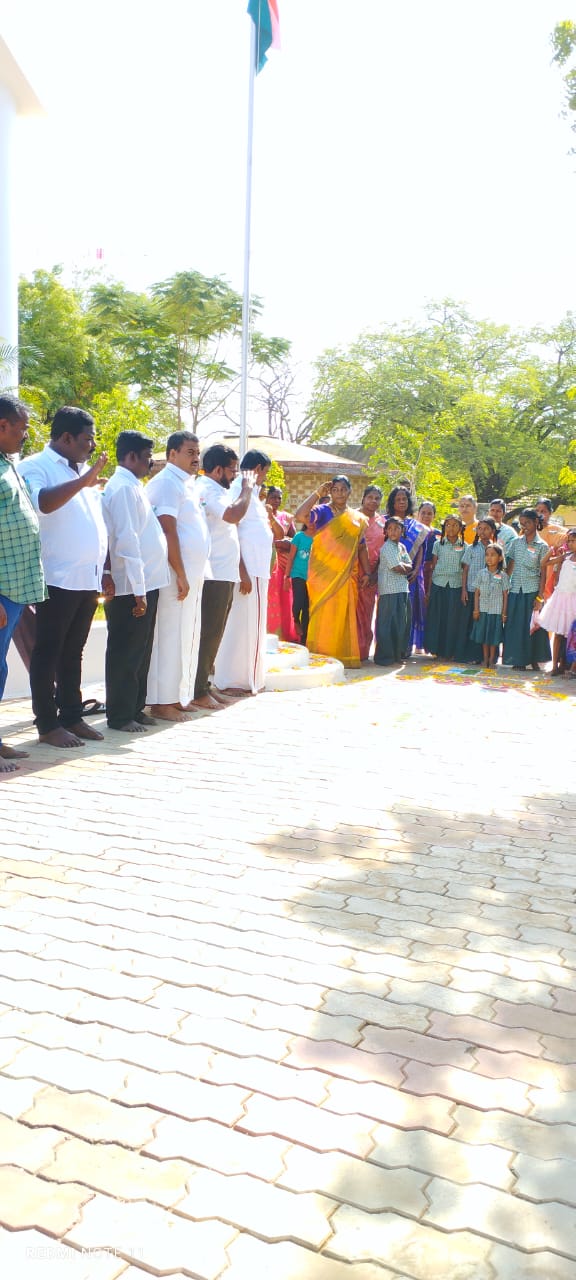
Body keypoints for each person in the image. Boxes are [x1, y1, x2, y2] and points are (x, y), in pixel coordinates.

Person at [19, 406, 110, 749]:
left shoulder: (84, 471)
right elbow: (41, 503)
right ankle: (47, 724)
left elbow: (95, 526)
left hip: (87, 577)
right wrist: (83, 482)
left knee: (74, 651)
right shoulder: (35, 466)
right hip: (56, 576)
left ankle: (72, 715)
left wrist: (105, 570)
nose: (92, 445)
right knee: (48, 652)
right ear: (67, 437)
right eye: (87, 438)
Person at [101, 431, 169, 731]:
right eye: (146, 458)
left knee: (140, 651)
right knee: (125, 652)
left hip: (147, 582)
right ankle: (120, 716)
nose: (150, 464)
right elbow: (126, 542)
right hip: (130, 587)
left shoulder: (133, 486)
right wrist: (139, 591)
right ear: (130, 456)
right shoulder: (122, 489)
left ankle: (135, 708)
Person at [145, 431, 210, 721]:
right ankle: (162, 701)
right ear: (172, 454)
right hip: (174, 573)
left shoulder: (187, 483)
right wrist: (181, 572)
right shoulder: (166, 483)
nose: (196, 458)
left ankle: (179, 695)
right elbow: (167, 528)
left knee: (186, 635)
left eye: (198, 452)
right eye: (189, 452)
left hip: (190, 574)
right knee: (169, 635)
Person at [0, 395, 46, 773]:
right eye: (21, 429)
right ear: (1, 426)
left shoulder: (7, 464)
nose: (25, 435)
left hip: (15, 587)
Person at [192, 446, 255, 709]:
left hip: (224, 572)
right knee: (208, 633)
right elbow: (232, 515)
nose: (236, 475)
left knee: (214, 633)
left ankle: (203, 686)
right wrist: (247, 490)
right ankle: (197, 690)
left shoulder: (218, 490)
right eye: (232, 470)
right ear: (218, 469)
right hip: (213, 574)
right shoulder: (207, 489)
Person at [293, 476, 370, 668]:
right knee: (322, 614)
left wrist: (367, 573)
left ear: (350, 491)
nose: (340, 493)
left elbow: (361, 547)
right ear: (331, 492)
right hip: (322, 576)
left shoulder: (357, 519)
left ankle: (341, 655)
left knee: (342, 615)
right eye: (335, 489)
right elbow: (300, 516)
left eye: (343, 489)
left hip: (346, 576)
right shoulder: (323, 511)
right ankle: (320, 655)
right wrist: (317, 493)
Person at [214, 449, 273, 695]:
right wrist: (244, 572)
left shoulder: (251, 492)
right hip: (248, 570)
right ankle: (235, 681)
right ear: (258, 469)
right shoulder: (240, 489)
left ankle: (245, 678)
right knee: (242, 626)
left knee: (248, 626)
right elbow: (233, 532)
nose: (264, 477)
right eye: (265, 472)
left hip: (256, 569)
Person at [502, 508, 551, 671]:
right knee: (515, 625)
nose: (525, 526)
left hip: (532, 591)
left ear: (536, 522)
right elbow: (509, 567)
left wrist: (540, 597)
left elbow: (543, 574)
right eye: (522, 523)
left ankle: (535, 660)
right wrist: (504, 587)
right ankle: (518, 660)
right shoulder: (516, 543)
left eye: (528, 523)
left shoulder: (542, 546)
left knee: (533, 626)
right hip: (516, 589)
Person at [385, 486, 428, 654]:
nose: (401, 502)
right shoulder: (385, 522)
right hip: (389, 574)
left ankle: (405, 647)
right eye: (398, 499)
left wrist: (416, 569)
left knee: (407, 610)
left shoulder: (417, 527)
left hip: (411, 576)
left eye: (404, 499)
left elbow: (421, 548)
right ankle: (389, 647)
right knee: (390, 611)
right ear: (392, 502)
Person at [424, 516, 466, 659]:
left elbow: (465, 569)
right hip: (439, 584)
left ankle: (449, 651)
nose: (451, 528)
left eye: (455, 525)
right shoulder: (438, 544)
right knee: (437, 618)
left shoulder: (465, 546)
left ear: (460, 528)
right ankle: (436, 649)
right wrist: (429, 590)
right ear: (444, 527)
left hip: (455, 586)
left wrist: (464, 590)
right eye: (448, 525)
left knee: (452, 619)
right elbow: (433, 567)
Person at [460, 517, 500, 662]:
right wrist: (464, 590)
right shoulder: (471, 548)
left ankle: (490, 657)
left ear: (493, 531)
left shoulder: (497, 549)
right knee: (472, 624)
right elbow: (465, 570)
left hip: (491, 595)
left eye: (486, 529)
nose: (482, 532)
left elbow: (502, 570)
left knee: (488, 625)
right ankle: (472, 656)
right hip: (472, 591)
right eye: (480, 528)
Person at [374, 517, 412, 665]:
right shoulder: (387, 547)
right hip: (389, 591)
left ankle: (397, 655)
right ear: (385, 531)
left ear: (402, 531)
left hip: (402, 589)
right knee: (387, 624)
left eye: (396, 528)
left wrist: (403, 566)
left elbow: (410, 566)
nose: (393, 531)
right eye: (389, 529)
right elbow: (397, 568)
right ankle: (385, 657)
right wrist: (404, 566)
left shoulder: (401, 547)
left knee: (400, 624)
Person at [538, 529, 576, 676]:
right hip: (560, 600)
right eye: (569, 541)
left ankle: (571, 669)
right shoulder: (565, 557)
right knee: (558, 634)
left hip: (573, 600)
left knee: (573, 635)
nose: (570, 543)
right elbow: (544, 563)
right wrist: (553, 550)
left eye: (573, 541)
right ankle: (555, 666)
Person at [356, 485, 386, 660]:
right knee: (350, 613)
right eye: (370, 497)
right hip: (352, 572)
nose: (373, 501)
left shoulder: (383, 522)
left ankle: (362, 651)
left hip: (373, 575)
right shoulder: (353, 517)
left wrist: (373, 574)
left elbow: (385, 549)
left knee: (367, 613)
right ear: (363, 498)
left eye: (377, 498)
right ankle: (348, 649)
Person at [265, 485, 298, 642]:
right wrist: (278, 543)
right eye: (273, 497)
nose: (276, 501)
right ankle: (269, 633)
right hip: (268, 563)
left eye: (279, 497)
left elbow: (295, 540)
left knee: (284, 598)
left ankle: (284, 635)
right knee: (270, 598)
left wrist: (285, 543)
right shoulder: (261, 516)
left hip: (284, 564)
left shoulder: (286, 518)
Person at [471, 543, 509, 668]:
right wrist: (476, 610)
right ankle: (485, 658)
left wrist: (504, 613)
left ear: (500, 558)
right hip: (483, 610)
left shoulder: (503, 576)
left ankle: (492, 659)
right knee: (484, 635)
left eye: (493, 555)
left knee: (493, 636)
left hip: (496, 611)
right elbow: (476, 593)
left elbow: (505, 595)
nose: (489, 558)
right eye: (487, 555)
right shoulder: (481, 573)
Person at [283, 524, 313, 643]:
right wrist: (286, 577)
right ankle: (296, 620)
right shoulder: (299, 536)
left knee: (307, 608)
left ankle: (304, 640)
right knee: (298, 603)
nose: (312, 523)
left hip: (312, 579)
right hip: (298, 575)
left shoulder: (320, 537)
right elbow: (291, 557)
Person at [536, 497, 567, 600]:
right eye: (537, 511)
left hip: (550, 568)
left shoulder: (559, 531)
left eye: (543, 511)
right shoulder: (530, 529)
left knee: (547, 595)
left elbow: (568, 542)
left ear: (550, 513)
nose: (540, 514)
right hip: (532, 567)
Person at [418, 500, 441, 601]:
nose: (426, 516)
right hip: (415, 572)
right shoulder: (412, 532)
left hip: (433, 573)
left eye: (429, 513)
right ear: (418, 514)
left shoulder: (439, 534)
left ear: (434, 516)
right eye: (423, 513)